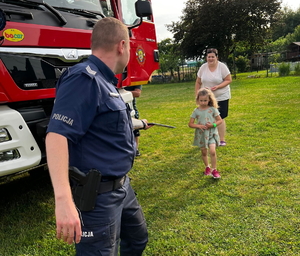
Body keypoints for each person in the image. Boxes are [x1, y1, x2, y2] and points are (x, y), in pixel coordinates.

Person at [45, 17, 150, 256]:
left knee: (137, 240)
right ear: (122, 46)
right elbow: (56, 136)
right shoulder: (84, 78)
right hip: (98, 197)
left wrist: (139, 124)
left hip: (122, 188)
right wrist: (63, 200)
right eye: (130, 48)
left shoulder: (106, 82)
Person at [195, 48, 232, 146]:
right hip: (207, 98)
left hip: (221, 96)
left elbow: (228, 80)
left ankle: (221, 140)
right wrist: (197, 95)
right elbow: (198, 82)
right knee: (207, 117)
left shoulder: (222, 67)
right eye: (208, 57)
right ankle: (208, 139)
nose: (210, 59)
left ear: (216, 57)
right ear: (206, 58)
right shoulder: (203, 67)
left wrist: (218, 87)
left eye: (212, 57)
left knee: (220, 117)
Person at [188, 88, 223, 178]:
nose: (203, 102)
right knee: (204, 152)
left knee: (212, 151)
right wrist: (198, 126)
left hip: (211, 134)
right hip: (202, 135)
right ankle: (207, 167)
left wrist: (213, 125)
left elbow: (220, 121)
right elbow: (190, 124)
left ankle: (214, 170)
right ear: (198, 100)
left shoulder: (212, 109)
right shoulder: (196, 111)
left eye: (205, 100)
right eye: (201, 100)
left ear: (209, 100)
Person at [124, 85, 142, 156]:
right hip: (118, 106)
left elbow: (137, 93)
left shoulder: (135, 79)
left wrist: (122, 93)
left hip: (131, 108)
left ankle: (136, 149)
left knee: (135, 129)